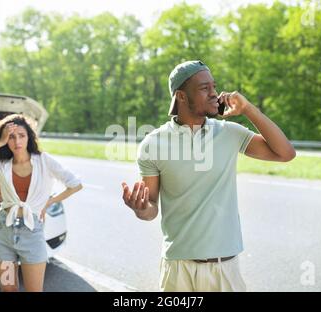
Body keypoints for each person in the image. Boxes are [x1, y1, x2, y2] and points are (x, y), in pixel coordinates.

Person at [121, 60, 295, 292]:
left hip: (223, 269)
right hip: (177, 269)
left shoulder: (229, 133)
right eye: (205, 88)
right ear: (181, 96)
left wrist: (248, 109)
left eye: (214, 86)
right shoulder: (153, 143)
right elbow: (151, 208)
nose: (215, 93)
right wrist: (140, 208)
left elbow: (285, 153)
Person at [0, 114, 83, 292]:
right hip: (4, 233)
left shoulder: (44, 161)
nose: (17, 141)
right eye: (11, 136)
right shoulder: (0, 165)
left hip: (32, 233)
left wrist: (49, 202)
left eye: (21, 135)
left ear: (29, 137)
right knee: (8, 290)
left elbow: (75, 184)